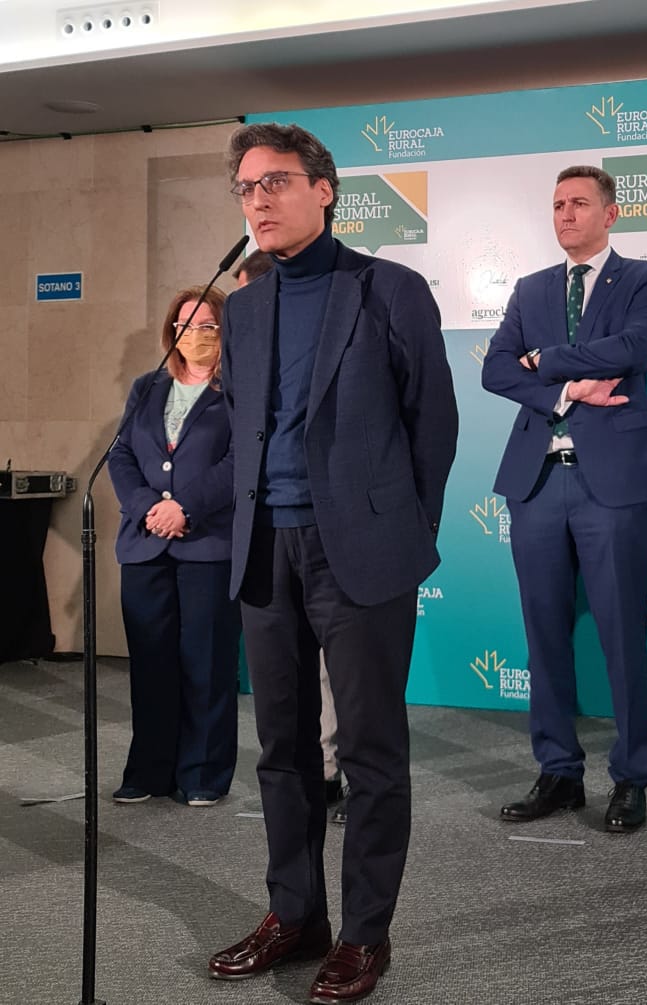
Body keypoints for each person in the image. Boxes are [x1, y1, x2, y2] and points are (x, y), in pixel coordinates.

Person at [207, 122, 458, 1004]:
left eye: (275, 181)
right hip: (263, 548)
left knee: (370, 749)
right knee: (281, 748)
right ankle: (295, 915)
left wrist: (404, 528)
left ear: (324, 189)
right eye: (246, 188)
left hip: (361, 551)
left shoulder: (388, 288)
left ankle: (363, 932)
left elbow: (433, 419)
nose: (259, 200)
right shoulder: (242, 308)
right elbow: (243, 423)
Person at [481, 165, 647, 835]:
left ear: (610, 213)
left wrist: (544, 360)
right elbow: (495, 368)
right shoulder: (531, 287)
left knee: (623, 635)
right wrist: (568, 388)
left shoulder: (646, 278)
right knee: (543, 636)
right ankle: (559, 771)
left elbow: (633, 349)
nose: (565, 214)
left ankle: (631, 778)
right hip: (537, 481)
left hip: (615, 483)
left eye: (579, 203)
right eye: (558, 204)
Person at [108, 286, 241, 808]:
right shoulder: (146, 387)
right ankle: (149, 770)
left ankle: (203, 774)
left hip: (207, 544)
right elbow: (121, 455)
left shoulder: (239, 389)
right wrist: (148, 507)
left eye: (207, 326)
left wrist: (185, 507)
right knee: (151, 662)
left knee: (206, 663)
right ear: (172, 332)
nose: (196, 335)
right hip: (145, 544)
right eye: (186, 325)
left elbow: (238, 463)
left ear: (225, 331)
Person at [235, 249, 348, 820]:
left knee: (354, 704)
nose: (258, 204)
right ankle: (295, 891)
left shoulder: (376, 292)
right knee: (281, 733)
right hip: (265, 536)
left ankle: (338, 774)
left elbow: (427, 420)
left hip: (342, 533)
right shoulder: (243, 320)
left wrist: (415, 523)